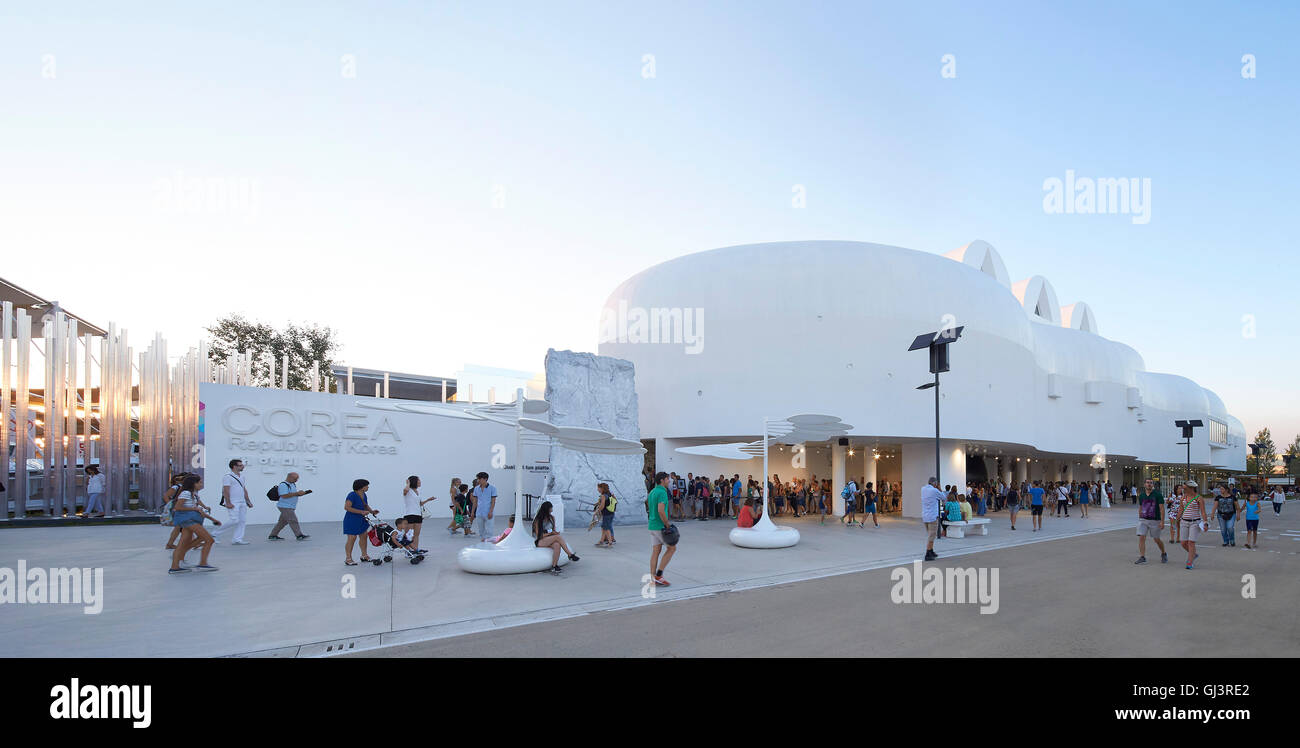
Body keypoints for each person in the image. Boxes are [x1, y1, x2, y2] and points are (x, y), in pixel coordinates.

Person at [168, 475, 221, 574]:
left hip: (190, 520)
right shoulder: (186, 493)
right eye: (199, 482)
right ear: (193, 484)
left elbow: (199, 510)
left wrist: (213, 519)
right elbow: (178, 507)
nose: (202, 484)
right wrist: (194, 509)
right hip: (188, 521)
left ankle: (175, 567)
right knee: (209, 540)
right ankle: (203, 564)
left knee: (183, 543)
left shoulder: (194, 494)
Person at [533, 501, 579, 574]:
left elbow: (553, 530)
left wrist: (554, 533)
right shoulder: (538, 520)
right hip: (540, 540)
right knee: (557, 537)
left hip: (549, 538)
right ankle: (570, 554)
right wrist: (551, 533)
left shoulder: (552, 518)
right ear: (546, 509)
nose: (552, 509)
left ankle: (554, 566)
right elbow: (539, 535)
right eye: (551, 508)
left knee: (557, 545)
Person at [648, 472, 676, 586]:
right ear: (662, 480)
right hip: (660, 526)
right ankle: (659, 575)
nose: (669, 481)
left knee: (655, 551)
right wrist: (667, 524)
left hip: (652, 525)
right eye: (667, 479)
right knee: (672, 548)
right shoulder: (662, 492)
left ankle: (652, 578)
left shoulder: (652, 492)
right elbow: (660, 510)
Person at [343, 478, 379, 566]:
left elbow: (365, 505)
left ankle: (364, 555)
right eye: (367, 485)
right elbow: (347, 507)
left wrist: (371, 511)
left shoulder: (364, 495)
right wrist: (361, 512)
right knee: (352, 538)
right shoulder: (352, 495)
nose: (368, 487)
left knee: (364, 537)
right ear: (361, 487)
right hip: (351, 519)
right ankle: (348, 558)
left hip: (362, 519)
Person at [268, 472, 312, 541]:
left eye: (297, 479)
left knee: (282, 522)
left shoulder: (292, 484)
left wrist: (301, 494)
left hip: (290, 506)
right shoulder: (283, 485)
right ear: (290, 477)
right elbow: (284, 495)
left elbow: (292, 494)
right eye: (295, 479)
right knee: (293, 520)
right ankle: (299, 535)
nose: (296, 480)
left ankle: (273, 535)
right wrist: (297, 493)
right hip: (285, 506)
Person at [218, 459, 253, 545]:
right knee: (234, 520)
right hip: (233, 502)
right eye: (240, 465)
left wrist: (248, 501)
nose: (243, 466)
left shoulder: (242, 477)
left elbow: (244, 489)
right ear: (234, 466)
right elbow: (226, 490)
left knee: (242, 521)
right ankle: (215, 533)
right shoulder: (227, 477)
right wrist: (228, 502)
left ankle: (237, 539)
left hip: (242, 502)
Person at [1134, 477, 1168, 564]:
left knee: (1156, 539)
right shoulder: (1141, 496)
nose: (1149, 484)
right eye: (1147, 482)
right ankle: (1142, 557)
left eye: (1151, 483)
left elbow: (1162, 509)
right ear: (1144, 484)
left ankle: (1163, 553)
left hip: (1155, 520)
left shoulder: (1157, 495)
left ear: (1153, 485)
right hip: (1143, 520)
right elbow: (1140, 507)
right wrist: (1140, 518)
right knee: (1142, 537)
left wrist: (1162, 521)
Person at [1179, 482, 1209, 569]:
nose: (1183, 490)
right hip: (1184, 522)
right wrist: (1176, 520)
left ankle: (1190, 562)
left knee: (1191, 542)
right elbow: (1181, 510)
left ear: (1191, 488)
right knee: (1183, 543)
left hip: (1195, 522)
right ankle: (1193, 554)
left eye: (1185, 488)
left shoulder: (1199, 498)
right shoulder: (1183, 498)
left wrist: (1205, 522)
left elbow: (1203, 511)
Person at [402, 475, 432, 553]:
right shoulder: (408, 490)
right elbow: (405, 490)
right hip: (409, 515)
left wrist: (428, 500)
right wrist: (408, 483)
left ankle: (416, 550)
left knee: (416, 535)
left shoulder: (417, 492)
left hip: (418, 515)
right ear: (414, 482)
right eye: (418, 480)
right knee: (409, 535)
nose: (420, 482)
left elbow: (420, 504)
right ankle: (408, 552)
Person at [470, 471, 497, 539]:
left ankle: (489, 546)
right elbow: (475, 501)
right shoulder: (476, 489)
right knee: (481, 531)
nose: (478, 480)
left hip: (488, 512)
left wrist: (490, 512)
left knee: (489, 531)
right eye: (478, 479)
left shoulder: (492, 488)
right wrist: (472, 512)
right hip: (479, 512)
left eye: (479, 479)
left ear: (485, 479)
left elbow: (493, 501)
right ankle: (483, 545)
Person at [922, 478, 944, 561]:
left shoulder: (923, 489)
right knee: (932, 536)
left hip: (925, 516)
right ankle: (928, 553)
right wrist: (939, 488)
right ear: (935, 483)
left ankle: (931, 550)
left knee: (930, 534)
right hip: (932, 516)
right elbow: (943, 497)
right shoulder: (934, 491)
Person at [595, 482, 617, 548]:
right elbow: (615, 501)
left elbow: (602, 506)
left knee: (606, 528)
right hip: (611, 513)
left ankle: (610, 543)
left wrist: (597, 510)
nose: (597, 489)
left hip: (606, 514)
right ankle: (601, 541)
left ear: (602, 488)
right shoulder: (610, 494)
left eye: (598, 488)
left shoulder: (603, 496)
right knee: (604, 527)